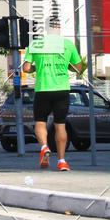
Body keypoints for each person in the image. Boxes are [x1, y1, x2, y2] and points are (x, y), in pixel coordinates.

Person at [22, 17, 83, 171]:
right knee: (60, 125)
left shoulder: (36, 44)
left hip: (43, 89)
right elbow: (78, 68)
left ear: (46, 29)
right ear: (58, 28)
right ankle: (62, 161)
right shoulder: (68, 44)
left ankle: (44, 147)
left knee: (40, 122)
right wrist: (64, 65)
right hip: (62, 90)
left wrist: (37, 68)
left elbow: (26, 68)